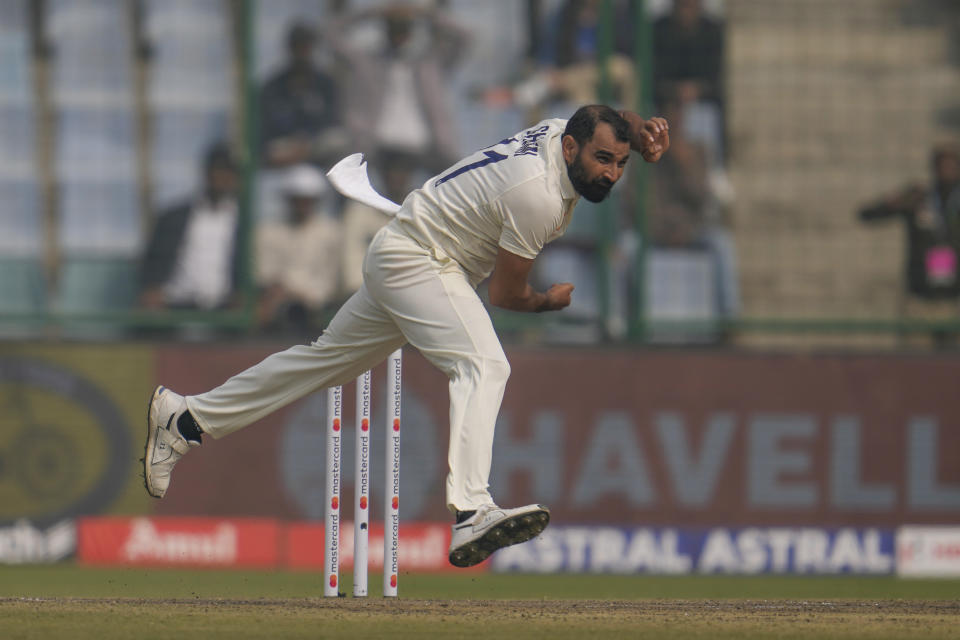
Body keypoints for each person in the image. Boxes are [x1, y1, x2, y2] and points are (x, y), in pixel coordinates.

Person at [143, 105, 670, 567]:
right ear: (572, 147)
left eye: (622, 164)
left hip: (406, 250)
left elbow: (609, 118)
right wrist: (547, 301)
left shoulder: (559, 129)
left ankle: (185, 417)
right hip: (421, 262)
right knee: (485, 366)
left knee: (321, 361)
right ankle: (471, 509)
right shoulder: (538, 196)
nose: (612, 174)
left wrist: (638, 129)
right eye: (604, 160)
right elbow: (507, 297)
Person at [858, 143, 960, 344]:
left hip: (955, 299)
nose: (947, 171)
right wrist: (890, 203)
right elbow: (866, 215)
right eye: (942, 165)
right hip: (919, 298)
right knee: (916, 361)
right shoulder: (918, 197)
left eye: (952, 165)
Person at [139, 143, 242, 311]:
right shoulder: (174, 217)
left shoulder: (241, 221)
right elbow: (152, 261)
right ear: (206, 172)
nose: (221, 177)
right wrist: (152, 289)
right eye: (217, 170)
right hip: (175, 304)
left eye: (227, 172)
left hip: (224, 307)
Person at [255, 165, 344, 334]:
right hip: (278, 316)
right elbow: (265, 276)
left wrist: (303, 295)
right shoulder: (269, 231)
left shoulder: (331, 233)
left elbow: (332, 281)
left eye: (308, 199)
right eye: (297, 199)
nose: (302, 205)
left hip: (319, 318)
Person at [258, 21, 344, 170]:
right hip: (286, 145)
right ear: (290, 48)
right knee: (272, 150)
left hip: (316, 145)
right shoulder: (274, 85)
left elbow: (332, 120)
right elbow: (269, 124)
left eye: (306, 46)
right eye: (298, 46)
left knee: (337, 140)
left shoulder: (325, 82)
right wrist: (295, 142)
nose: (302, 51)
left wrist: (307, 142)